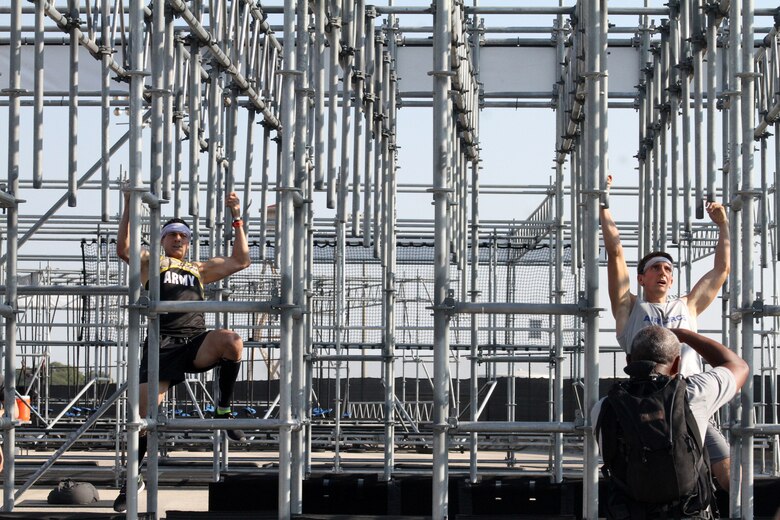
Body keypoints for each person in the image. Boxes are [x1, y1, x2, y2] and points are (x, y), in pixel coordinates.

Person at [113, 188, 251, 512]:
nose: (178, 239)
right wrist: (129, 204)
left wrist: (236, 216)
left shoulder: (199, 269)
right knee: (144, 418)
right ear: (162, 239)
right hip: (161, 346)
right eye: (172, 235)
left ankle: (224, 410)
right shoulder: (151, 263)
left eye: (183, 236)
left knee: (232, 341)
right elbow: (124, 249)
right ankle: (132, 477)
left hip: (194, 341)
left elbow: (241, 260)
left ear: (189, 242)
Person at [599, 174, 733, 490]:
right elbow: (615, 251)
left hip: (689, 402)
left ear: (672, 281)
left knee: (729, 475)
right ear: (641, 278)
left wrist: (723, 226)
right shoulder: (628, 308)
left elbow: (721, 270)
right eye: (656, 268)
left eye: (668, 269)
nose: (663, 272)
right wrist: (603, 201)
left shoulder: (688, 305)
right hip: (647, 403)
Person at [593, 326, 748, 519]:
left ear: (628, 361)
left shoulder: (604, 407)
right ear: (677, 364)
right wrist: (686, 335)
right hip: (687, 513)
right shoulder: (694, 394)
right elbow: (738, 365)